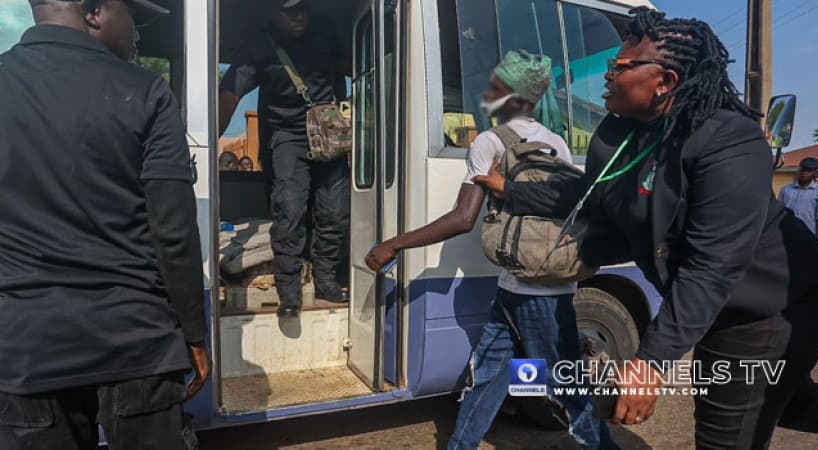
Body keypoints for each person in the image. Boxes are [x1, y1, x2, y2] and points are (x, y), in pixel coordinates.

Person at [474, 8, 818, 448]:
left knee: (726, 431)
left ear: (665, 81)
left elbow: (712, 267)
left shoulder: (729, 141)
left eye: (620, 67)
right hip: (714, 303)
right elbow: (588, 196)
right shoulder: (617, 133)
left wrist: (649, 363)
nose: (608, 75)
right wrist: (508, 190)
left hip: (768, 306)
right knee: (791, 402)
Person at [366, 50, 615, 450]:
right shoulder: (557, 143)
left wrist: (395, 243)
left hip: (537, 296)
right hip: (524, 285)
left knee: (568, 390)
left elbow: (464, 217)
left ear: (513, 97)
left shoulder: (490, 142)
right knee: (489, 376)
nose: (488, 91)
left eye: (495, 85)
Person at [0, 0, 211, 448]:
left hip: (24, 346)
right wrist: (194, 333)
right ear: (94, 11)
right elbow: (172, 232)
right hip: (136, 341)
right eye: (132, 16)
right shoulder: (148, 92)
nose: (137, 33)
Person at [218, 0, 350, 317]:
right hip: (286, 136)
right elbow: (229, 95)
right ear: (271, 13)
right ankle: (289, 292)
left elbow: (350, 63)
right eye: (289, 10)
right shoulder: (257, 46)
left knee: (334, 211)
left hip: (328, 131)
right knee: (289, 210)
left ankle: (327, 281)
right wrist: (203, 143)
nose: (299, 15)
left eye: (303, 8)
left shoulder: (325, 31)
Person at [779, 157, 818, 240]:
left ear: (815, 173)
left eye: (808, 171)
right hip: (786, 233)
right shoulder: (786, 190)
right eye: (802, 170)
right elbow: (779, 212)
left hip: (808, 235)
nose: (804, 173)